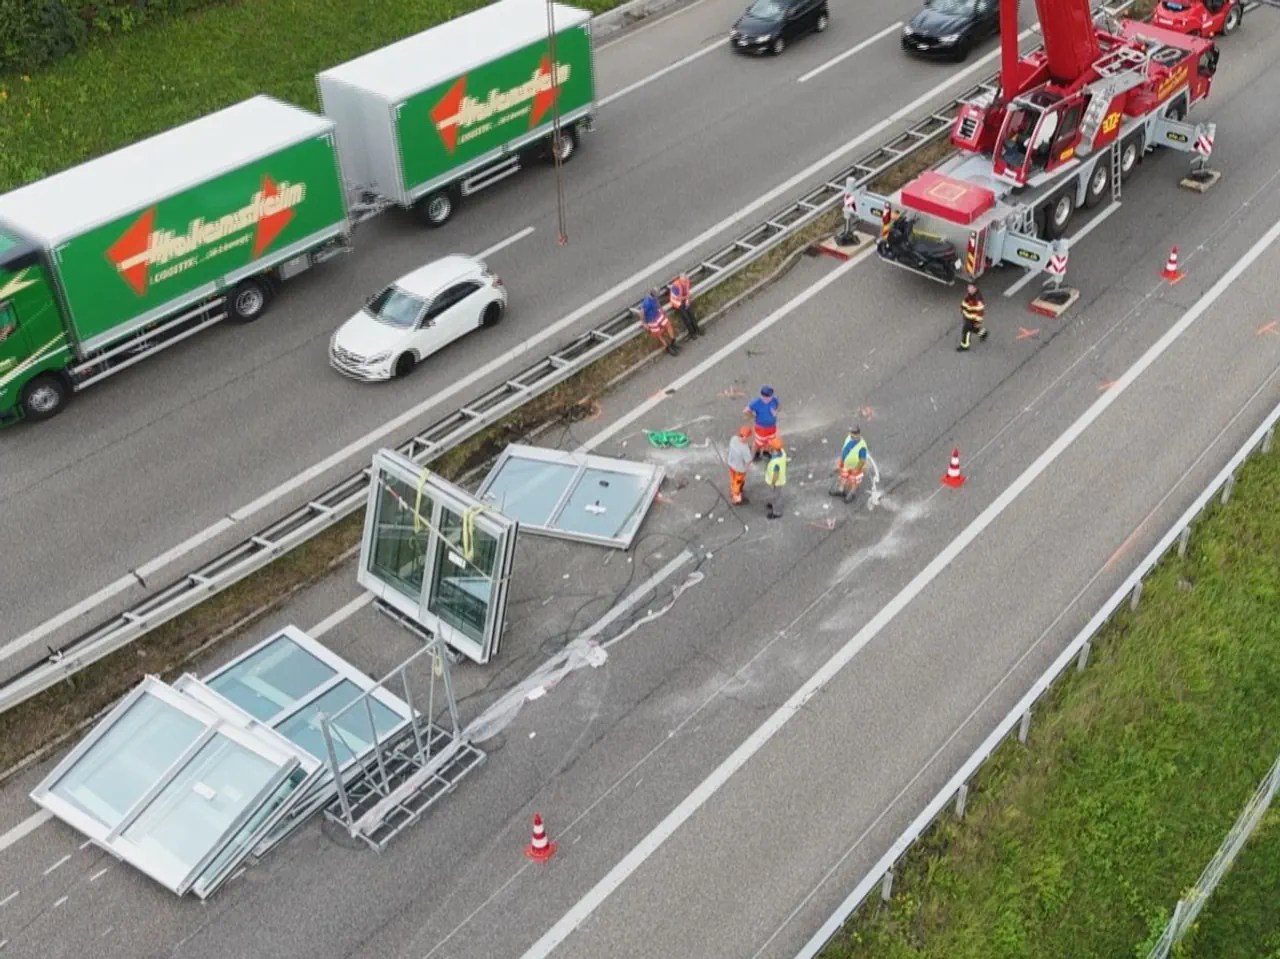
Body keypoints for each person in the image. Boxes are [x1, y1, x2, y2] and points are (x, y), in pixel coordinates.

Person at [833, 425, 868, 503]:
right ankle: (841, 490)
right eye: (851, 433)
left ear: (858, 434)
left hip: (856, 467)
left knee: (854, 480)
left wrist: (857, 469)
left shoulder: (862, 446)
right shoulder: (849, 438)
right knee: (843, 477)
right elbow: (844, 451)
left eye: (854, 433)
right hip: (846, 464)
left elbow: (862, 460)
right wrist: (840, 463)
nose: (852, 435)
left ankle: (852, 494)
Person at [640, 287, 679, 356]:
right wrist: (644, 323)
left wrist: (661, 309)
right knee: (658, 334)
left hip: (657, 314)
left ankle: (673, 341)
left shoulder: (655, 298)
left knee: (667, 324)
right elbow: (642, 312)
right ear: (654, 294)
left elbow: (657, 303)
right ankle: (667, 347)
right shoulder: (647, 302)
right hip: (651, 319)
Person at [744, 385, 780, 459]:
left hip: (772, 426)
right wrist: (752, 415)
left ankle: (766, 452)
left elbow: (779, 406)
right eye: (764, 397)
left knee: (770, 441)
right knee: (759, 442)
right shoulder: (756, 402)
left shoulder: (774, 400)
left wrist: (776, 411)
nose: (766, 399)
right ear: (761, 395)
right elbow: (745, 411)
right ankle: (755, 455)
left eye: (768, 397)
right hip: (761, 427)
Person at [667, 273, 702, 339]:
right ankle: (692, 333)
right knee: (686, 319)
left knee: (692, 316)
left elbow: (687, 291)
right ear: (680, 280)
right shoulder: (675, 285)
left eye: (685, 280)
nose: (684, 282)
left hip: (684, 300)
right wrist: (686, 298)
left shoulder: (686, 281)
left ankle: (697, 329)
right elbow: (676, 298)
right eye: (683, 281)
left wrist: (687, 300)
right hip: (677, 303)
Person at [957, 282, 988, 352]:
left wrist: (977, 322)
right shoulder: (970, 294)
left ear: (975, 288)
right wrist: (962, 309)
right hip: (967, 316)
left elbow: (980, 312)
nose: (969, 289)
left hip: (972, 319)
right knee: (974, 329)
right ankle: (983, 333)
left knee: (966, 331)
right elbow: (965, 302)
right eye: (968, 287)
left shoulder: (977, 300)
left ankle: (965, 346)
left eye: (971, 288)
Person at [727, 425, 753, 505]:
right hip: (740, 469)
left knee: (732, 480)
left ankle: (733, 492)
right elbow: (748, 461)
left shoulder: (733, 439)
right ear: (745, 437)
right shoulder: (745, 449)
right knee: (737, 483)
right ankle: (736, 498)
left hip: (731, 464)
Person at [764, 436, 788, 520]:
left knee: (776, 496)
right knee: (775, 495)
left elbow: (775, 475)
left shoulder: (775, 463)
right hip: (779, 480)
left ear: (774, 450)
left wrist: (773, 483)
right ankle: (773, 505)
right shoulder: (782, 453)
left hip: (776, 482)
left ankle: (777, 512)